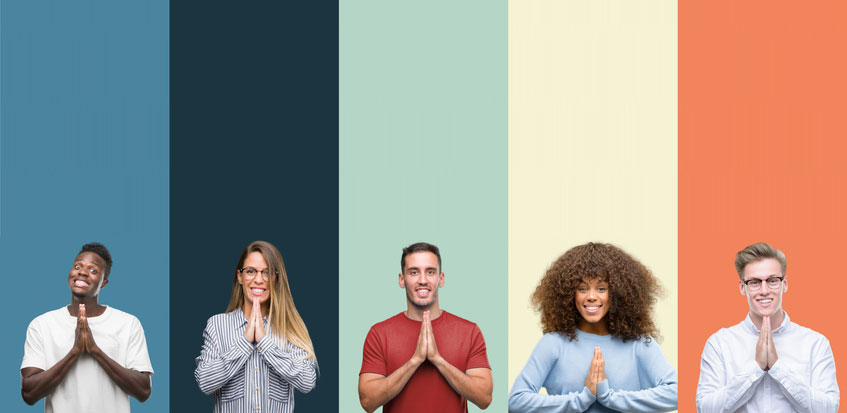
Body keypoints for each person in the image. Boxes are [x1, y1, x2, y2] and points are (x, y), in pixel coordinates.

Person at [509, 242, 677, 413]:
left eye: (601, 288)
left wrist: (609, 398)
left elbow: (675, 393)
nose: (591, 296)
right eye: (582, 288)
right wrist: (584, 398)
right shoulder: (553, 344)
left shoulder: (638, 343)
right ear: (569, 294)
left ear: (619, 293)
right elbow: (516, 402)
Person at [696, 242, 839, 412]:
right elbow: (705, 409)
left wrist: (777, 368)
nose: (764, 290)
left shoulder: (815, 343)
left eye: (772, 280)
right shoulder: (719, 343)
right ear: (743, 288)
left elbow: (829, 409)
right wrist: (756, 368)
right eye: (755, 282)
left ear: (784, 284)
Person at [358, 242, 493, 412]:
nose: (422, 280)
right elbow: (367, 402)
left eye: (430, 272)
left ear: (440, 279)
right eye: (414, 272)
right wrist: (415, 361)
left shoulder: (469, 331)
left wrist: (438, 360)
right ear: (402, 279)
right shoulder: (379, 333)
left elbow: (485, 398)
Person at [20, 242, 154, 412]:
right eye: (78, 266)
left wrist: (94, 350)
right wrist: (75, 351)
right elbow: (29, 393)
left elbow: (143, 391)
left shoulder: (128, 324)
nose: (82, 272)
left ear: (103, 283)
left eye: (93, 270)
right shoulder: (41, 325)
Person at [195, 240, 317, 413]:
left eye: (266, 272)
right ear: (239, 276)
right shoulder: (218, 325)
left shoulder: (289, 327)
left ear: (275, 278)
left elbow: (307, 382)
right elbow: (204, 382)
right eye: (250, 271)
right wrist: (244, 343)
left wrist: (264, 342)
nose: (258, 279)